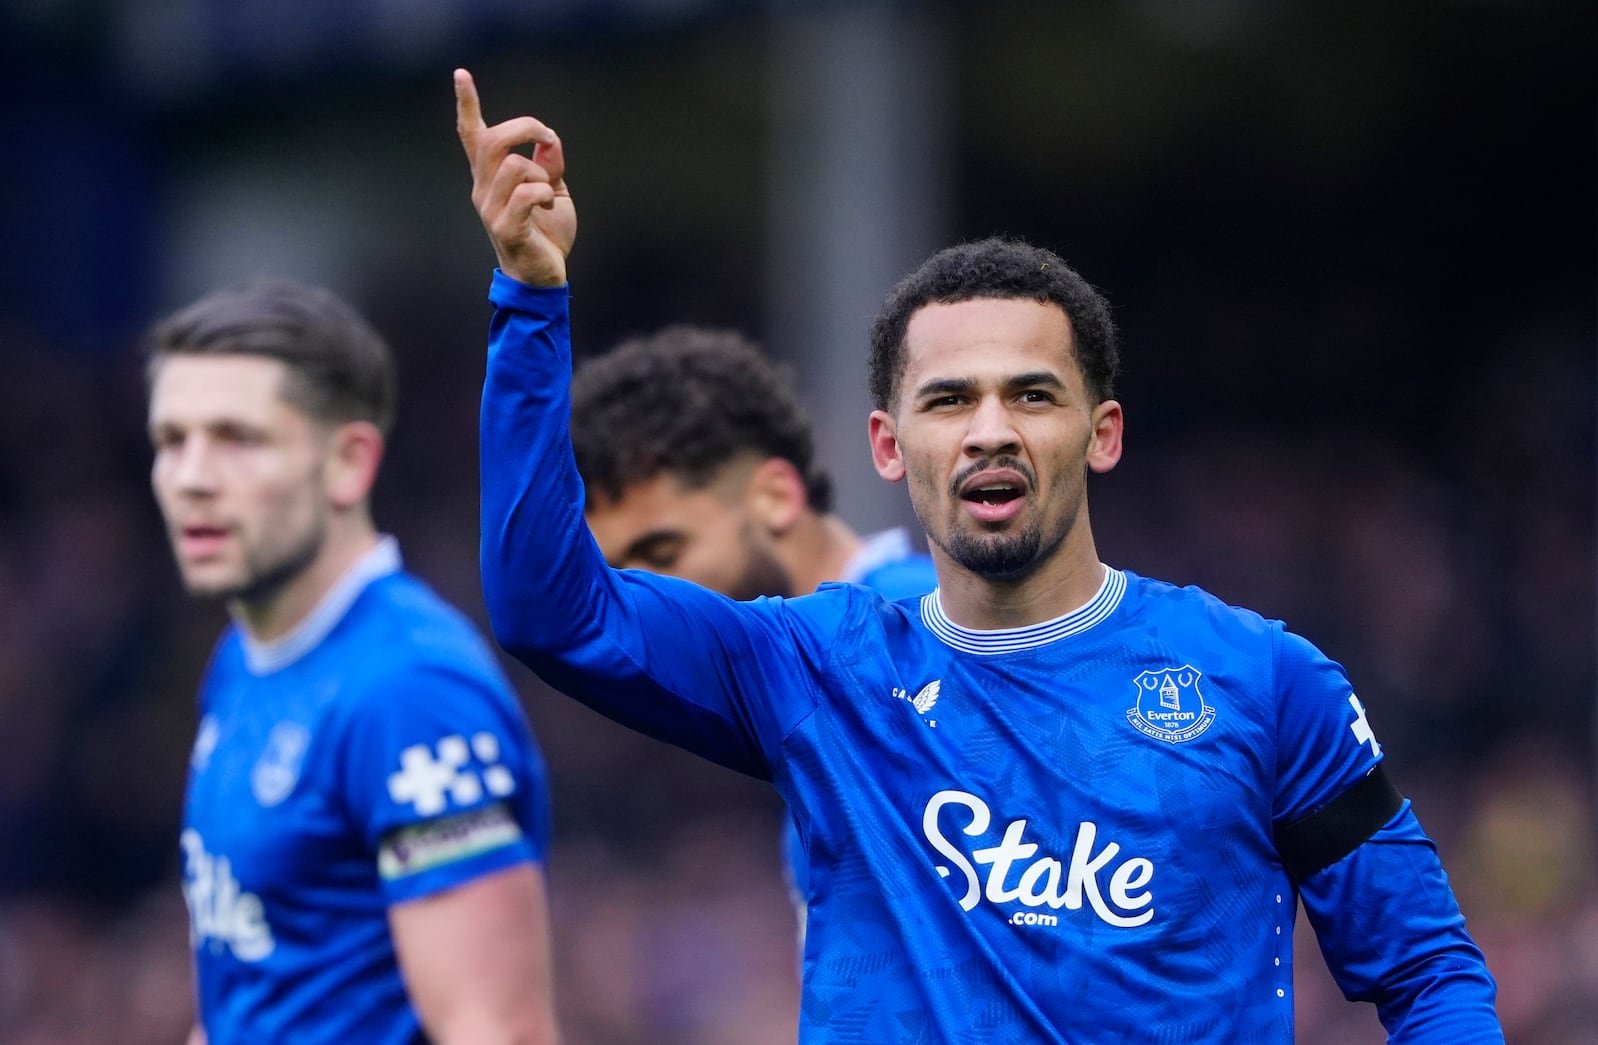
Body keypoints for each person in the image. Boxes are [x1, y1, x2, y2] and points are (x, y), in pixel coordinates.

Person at [455, 69, 1503, 1043]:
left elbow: (1427, 971)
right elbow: (553, 612)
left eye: (1031, 394)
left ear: (1102, 432)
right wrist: (530, 298)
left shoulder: (1264, 681)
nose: (988, 430)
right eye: (949, 400)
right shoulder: (817, 667)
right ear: (887, 444)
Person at [145, 278, 560, 1045]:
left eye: (238, 438)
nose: (192, 477)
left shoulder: (410, 691)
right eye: (172, 440)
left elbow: (498, 1032)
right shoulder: (242, 659)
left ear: (348, 462)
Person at [570, 326, 937, 922]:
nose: (645, 600)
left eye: (663, 555)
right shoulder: (802, 686)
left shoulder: (919, 628)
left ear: (774, 497)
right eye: (621, 574)